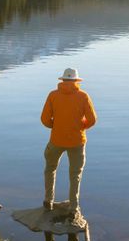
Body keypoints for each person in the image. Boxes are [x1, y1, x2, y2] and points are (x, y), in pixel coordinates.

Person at [40, 67, 97, 216]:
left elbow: (44, 119)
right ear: (76, 81)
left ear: (63, 80)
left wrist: (56, 126)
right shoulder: (83, 96)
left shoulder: (53, 95)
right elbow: (92, 120)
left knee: (50, 169)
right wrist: (80, 127)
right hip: (77, 141)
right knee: (75, 175)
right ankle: (73, 207)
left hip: (56, 140)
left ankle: (48, 201)